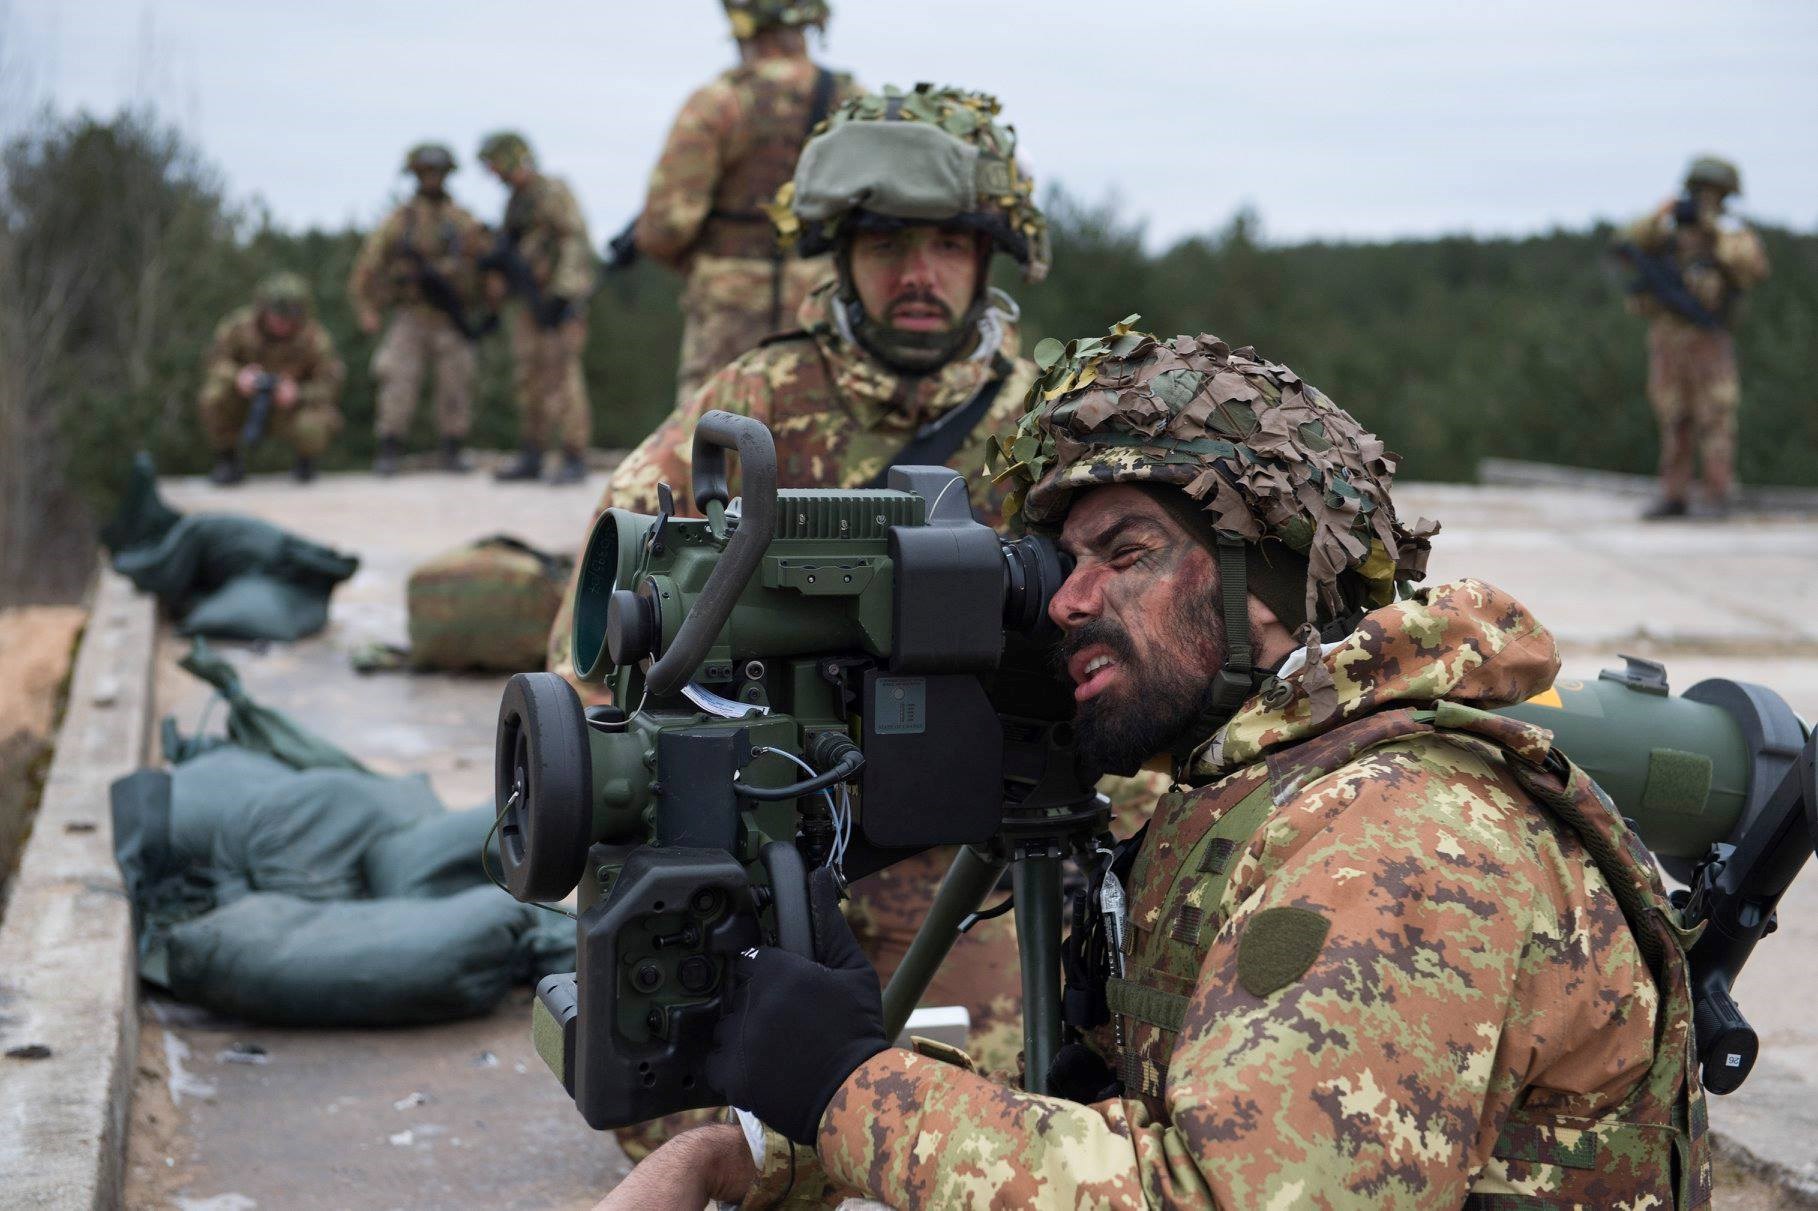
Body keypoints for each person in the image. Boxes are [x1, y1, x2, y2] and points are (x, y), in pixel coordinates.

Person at [599, 321, 1711, 1210]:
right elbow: (1150, 1123)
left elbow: (1225, 1193)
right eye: (1066, 561)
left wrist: (848, 1088)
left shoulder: (1400, 834)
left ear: (1267, 578)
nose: (1071, 602)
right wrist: (757, 1158)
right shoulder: (1252, 788)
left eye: (1126, 553)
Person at [556, 82, 1052, 1164]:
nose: (917, 275)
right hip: (771, 852)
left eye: (950, 244)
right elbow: (601, 632)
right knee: (685, 1126)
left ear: (992, 254)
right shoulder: (756, 399)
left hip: (972, 865)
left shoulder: (1051, 426)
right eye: (885, 243)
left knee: (1008, 1108)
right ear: (838, 253)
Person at [628, 0, 862, 410]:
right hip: (825, 296)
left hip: (730, 300)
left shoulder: (719, 102)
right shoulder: (851, 102)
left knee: (714, 430)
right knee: (819, 429)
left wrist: (703, 265)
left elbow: (666, 223)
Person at [1617, 155, 1770, 520]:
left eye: (1710, 194)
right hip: (1669, 339)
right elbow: (1626, 243)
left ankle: (1718, 494)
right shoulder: (1669, 230)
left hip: (1709, 337)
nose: (1702, 199)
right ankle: (1674, 495)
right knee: (1673, 417)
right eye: (1698, 192)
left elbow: (1753, 267)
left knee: (1715, 416)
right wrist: (1661, 214)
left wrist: (1712, 228)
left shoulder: (1729, 231)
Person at [348, 142, 490, 476]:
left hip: (450, 317)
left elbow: (485, 263)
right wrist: (366, 308)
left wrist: (486, 300)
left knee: (456, 381)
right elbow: (367, 266)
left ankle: (453, 448)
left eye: (437, 172)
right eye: (425, 172)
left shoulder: (461, 220)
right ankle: (389, 447)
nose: (432, 179)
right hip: (410, 314)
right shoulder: (400, 220)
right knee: (397, 378)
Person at [477, 131, 596, 485]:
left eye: (496, 164)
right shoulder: (517, 201)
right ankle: (533, 452)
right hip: (528, 304)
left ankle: (574, 455)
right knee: (528, 377)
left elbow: (574, 240)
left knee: (563, 377)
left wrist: (564, 293)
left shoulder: (551, 192)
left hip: (558, 302)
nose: (494, 174)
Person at [198, 272, 344, 486]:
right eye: (276, 317)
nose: (282, 325)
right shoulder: (238, 328)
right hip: (245, 403)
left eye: (289, 319)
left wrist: (297, 392)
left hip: (288, 409)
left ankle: (305, 462)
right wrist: (239, 377)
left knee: (316, 420)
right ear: (262, 310)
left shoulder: (316, 339)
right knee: (213, 395)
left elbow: (331, 384)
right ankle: (227, 461)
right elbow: (213, 361)